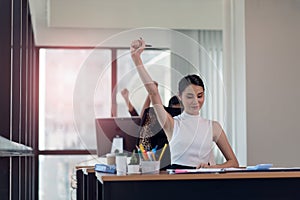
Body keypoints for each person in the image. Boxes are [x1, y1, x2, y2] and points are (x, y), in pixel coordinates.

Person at [130, 38, 239, 169]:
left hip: (204, 181)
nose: (196, 101)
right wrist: (136, 59)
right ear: (180, 96)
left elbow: (233, 162)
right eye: (190, 96)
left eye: (200, 96)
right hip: (178, 182)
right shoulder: (172, 124)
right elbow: (153, 92)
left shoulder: (213, 127)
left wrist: (210, 168)